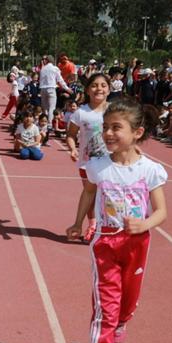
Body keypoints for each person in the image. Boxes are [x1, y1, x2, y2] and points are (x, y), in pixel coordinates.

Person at [66, 97, 168, 343]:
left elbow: (162, 211)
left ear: (136, 132)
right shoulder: (98, 166)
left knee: (128, 301)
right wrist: (77, 222)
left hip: (137, 243)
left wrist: (145, 223)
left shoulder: (150, 170)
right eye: (105, 127)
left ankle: (123, 321)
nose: (108, 133)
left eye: (116, 127)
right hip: (106, 244)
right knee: (105, 312)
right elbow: (88, 194)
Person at [66, 73, 110, 242]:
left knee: (108, 196)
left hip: (110, 163)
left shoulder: (115, 111)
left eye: (103, 85)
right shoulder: (80, 113)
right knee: (90, 196)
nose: (99, 88)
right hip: (88, 163)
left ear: (109, 89)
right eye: (94, 85)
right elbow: (70, 135)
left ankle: (105, 226)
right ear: (87, 90)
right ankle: (92, 224)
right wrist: (72, 149)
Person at [39, 55, 72, 121]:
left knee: (45, 107)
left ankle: (43, 122)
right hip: (51, 88)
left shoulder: (42, 69)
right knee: (52, 107)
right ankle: (50, 123)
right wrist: (67, 88)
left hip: (42, 89)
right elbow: (60, 80)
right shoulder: (55, 68)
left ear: (47, 61)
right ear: (52, 61)